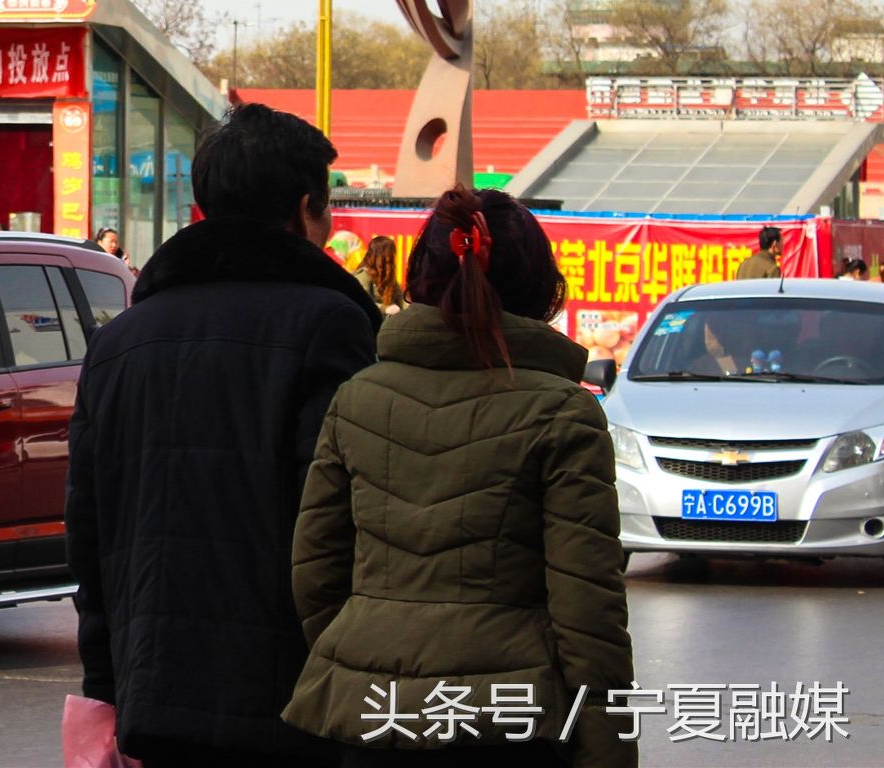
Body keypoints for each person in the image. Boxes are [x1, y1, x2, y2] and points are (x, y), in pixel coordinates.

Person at [65, 103, 381, 768]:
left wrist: (106, 684)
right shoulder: (330, 327)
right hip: (288, 703)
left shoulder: (120, 342)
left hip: (150, 698)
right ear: (303, 210)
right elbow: (339, 527)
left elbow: (87, 534)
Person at [284, 189, 636, 768]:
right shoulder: (561, 411)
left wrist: (362, 657)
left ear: (420, 280)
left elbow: (316, 572)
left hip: (374, 717)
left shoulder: (358, 400)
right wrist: (606, 746)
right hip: (510, 724)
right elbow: (587, 606)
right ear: (536, 289)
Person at [360, 236, 405, 315]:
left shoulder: (387, 276)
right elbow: (362, 303)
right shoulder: (363, 276)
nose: (391, 259)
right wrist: (385, 309)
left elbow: (401, 299)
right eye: (388, 255)